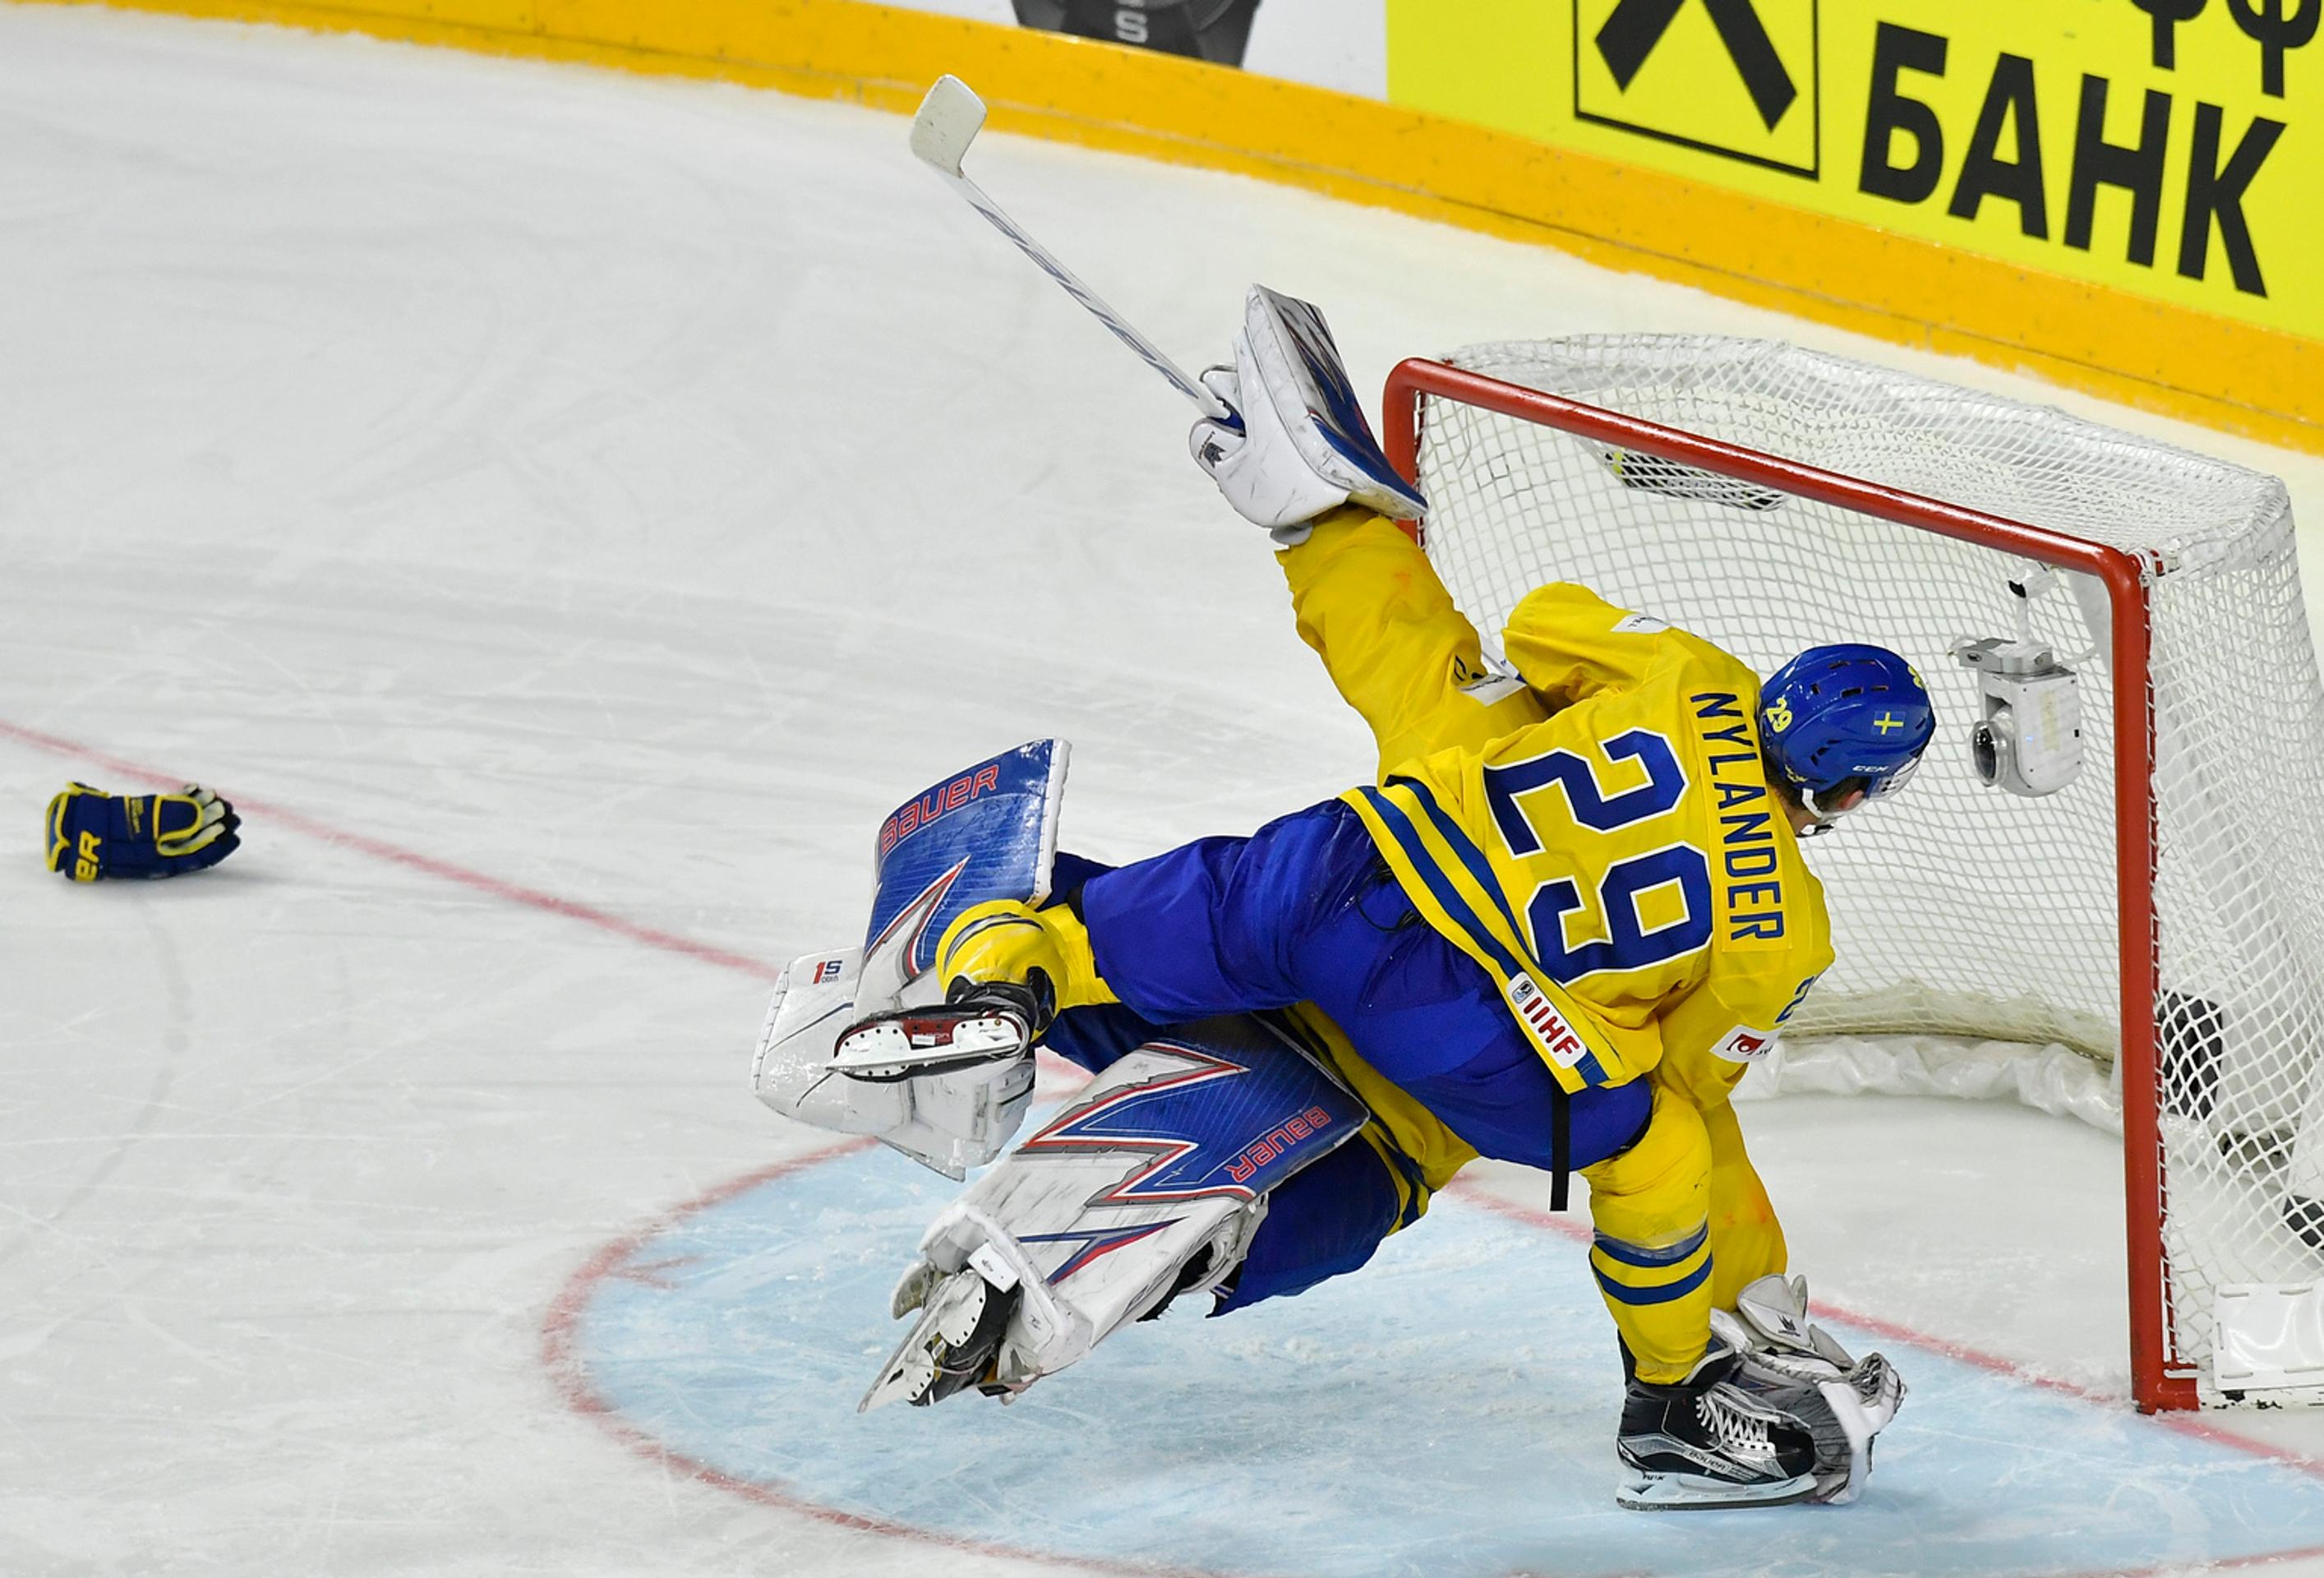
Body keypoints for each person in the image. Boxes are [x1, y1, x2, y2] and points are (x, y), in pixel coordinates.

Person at [912, 289, 1930, 1508]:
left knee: (1129, 930)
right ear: (1856, 793)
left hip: (1352, 877)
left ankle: (991, 976)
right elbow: (1690, 1098)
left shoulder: (1677, 673)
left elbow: (1496, 629)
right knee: (1621, 1146)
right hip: (1466, 1043)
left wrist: (1321, 522)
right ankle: (1665, 1403)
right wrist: (1744, 1281)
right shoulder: (1786, 936)